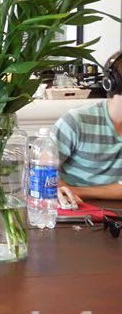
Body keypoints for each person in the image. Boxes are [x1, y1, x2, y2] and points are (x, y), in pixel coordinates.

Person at [53, 51, 122, 204]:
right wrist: (62, 189)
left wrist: (78, 191)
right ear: (111, 83)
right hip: (74, 208)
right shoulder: (76, 121)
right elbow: (39, 170)